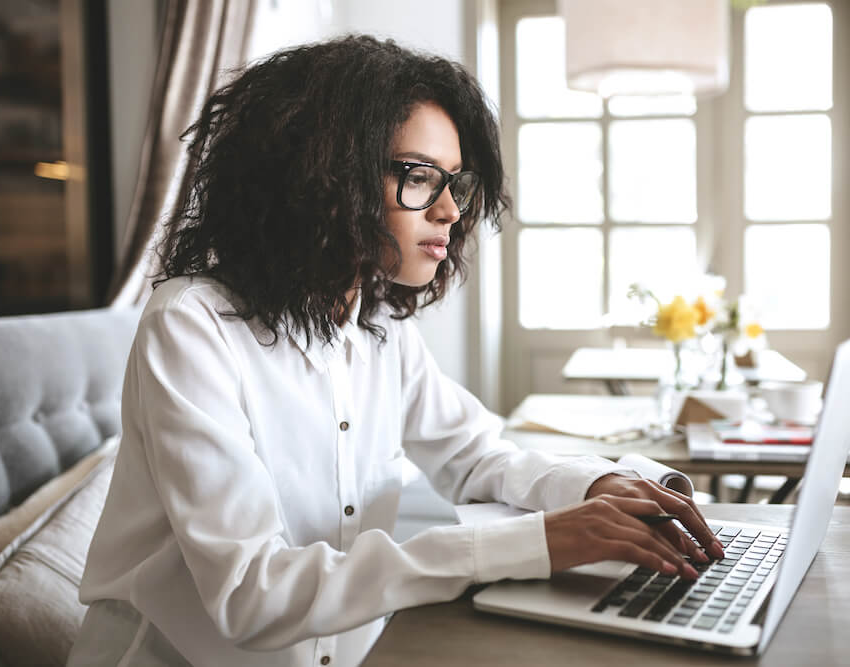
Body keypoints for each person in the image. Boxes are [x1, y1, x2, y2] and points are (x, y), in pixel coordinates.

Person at [67, 35, 723, 667]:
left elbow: (476, 455)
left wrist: (596, 486)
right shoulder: (192, 326)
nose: (449, 212)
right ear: (323, 173)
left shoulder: (377, 326)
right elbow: (251, 593)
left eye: (456, 184)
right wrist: (535, 542)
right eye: (419, 176)